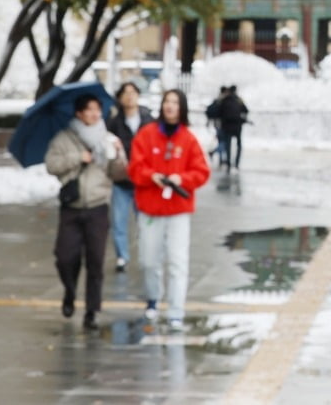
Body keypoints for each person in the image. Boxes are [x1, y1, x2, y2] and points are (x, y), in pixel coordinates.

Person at [129, 89, 210, 331]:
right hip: (151, 209)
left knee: (177, 261)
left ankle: (176, 309)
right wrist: (150, 176)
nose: (170, 107)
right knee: (149, 261)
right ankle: (153, 297)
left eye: (175, 102)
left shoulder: (188, 139)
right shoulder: (146, 135)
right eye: (167, 102)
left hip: (178, 210)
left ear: (182, 108)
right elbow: (134, 167)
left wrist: (181, 179)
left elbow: (201, 172)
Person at [45, 93, 128, 330]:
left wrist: (119, 155)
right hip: (71, 208)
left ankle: (92, 310)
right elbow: (51, 165)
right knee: (64, 258)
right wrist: (77, 157)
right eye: (89, 110)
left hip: (98, 208)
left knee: (95, 261)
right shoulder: (64, 138)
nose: (94, 114)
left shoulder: (107, 139)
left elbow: (119, 174)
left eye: (97, 110)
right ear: (79, 113)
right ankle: (69, 292)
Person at [105, 82, 153, 273]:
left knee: (145, 222)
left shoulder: (148, 120)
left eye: (133, 92)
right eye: (125, 93)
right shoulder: (114, 123)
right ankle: (122, 257)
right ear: (120, 98)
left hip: (143, 181)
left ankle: (146, 254)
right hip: (122, 180)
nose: (130, 96)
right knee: (118, 221)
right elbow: (105, 144)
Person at [217, 85, 248, 171]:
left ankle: (229, 163)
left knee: (228, 145)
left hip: (227, 126)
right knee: (238, 145)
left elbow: (219, 113)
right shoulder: (239, 100)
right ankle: (237, 163)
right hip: (238, 126)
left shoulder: (224, 100)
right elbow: (246, 110)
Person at [204, 86, 228, 168]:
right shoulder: (223, 100)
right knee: (223, 142)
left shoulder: (218, 99)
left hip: (217, 123)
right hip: (221, 124)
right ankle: (213, 152)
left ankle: (221, 159)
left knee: (221, 141)